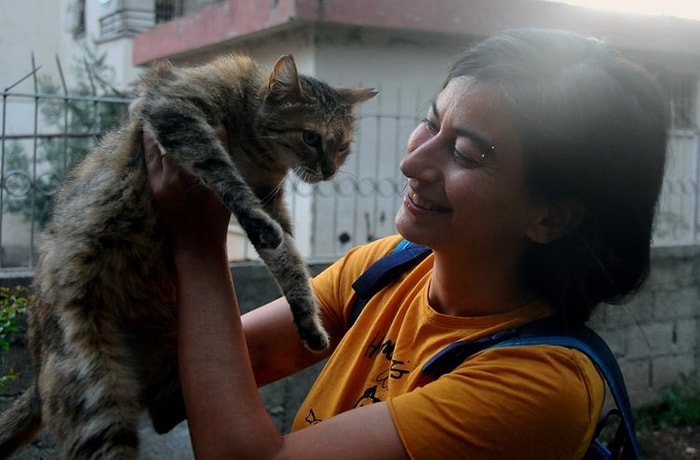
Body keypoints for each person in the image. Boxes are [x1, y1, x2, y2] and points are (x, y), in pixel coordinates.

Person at [144, 28, 669, 459]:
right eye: (430, 123)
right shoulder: (390, 266)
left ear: (551, 217)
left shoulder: (539, 388)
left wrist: (197, 246)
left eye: (466, 152)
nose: (411, 163)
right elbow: (218, 361)